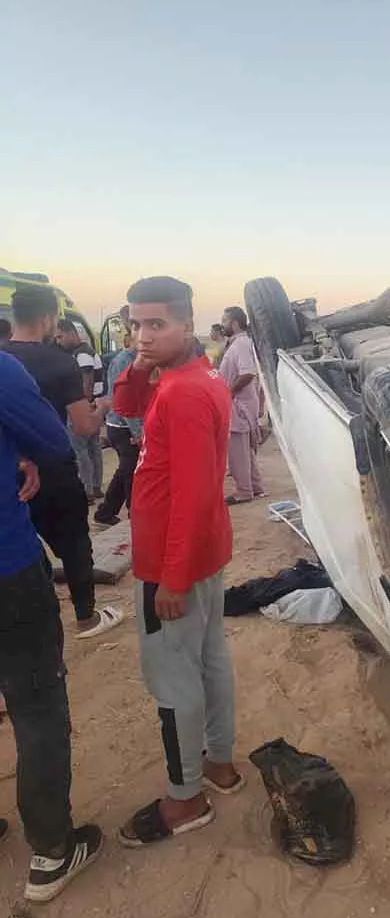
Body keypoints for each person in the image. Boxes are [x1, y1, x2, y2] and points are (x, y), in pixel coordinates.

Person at [113, 276, 242, 848]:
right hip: (202, 551)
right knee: (209, 659)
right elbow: (125, 406)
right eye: (135, 324)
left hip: (174, 559)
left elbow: (192, 494)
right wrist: (139, 366)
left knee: (173, 678)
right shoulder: (193, 375)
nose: (142, 336)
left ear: (188, 323)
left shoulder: (184, 392)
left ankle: (185, 797)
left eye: (156, 324)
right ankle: (219, 763)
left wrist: (172, 576)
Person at [0, 350, 103, 901]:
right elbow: (54, 442)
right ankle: (52, 850)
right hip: (7, 570)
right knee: (36, 702)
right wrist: (20, 453)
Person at [2, 285, 123, 638]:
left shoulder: (3, 358)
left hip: (12, 469)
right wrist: (103, 407)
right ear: (47, 318)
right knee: (74, 545)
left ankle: (40, 610)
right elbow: (83, 426)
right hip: (53, 468)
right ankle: (86, 618)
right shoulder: (59, 362)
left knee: (26, 545)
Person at [94, 307, 143, 526]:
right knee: (131, 470)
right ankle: (135, 513)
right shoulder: (125, 361)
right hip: (123, 426)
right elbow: (125, 401)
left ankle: (105, 513)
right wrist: (138, 432)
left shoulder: (138, 360)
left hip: (127, 424)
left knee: (126, 470)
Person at [219, 306, 266, 504]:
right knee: (246, 449)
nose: (222, 325)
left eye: (224, 321)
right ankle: (255, 487)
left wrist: (228, 392)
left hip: (238, 405)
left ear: (235, 323)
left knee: (237, 450)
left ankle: (243, 491)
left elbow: (247, 373)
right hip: (241, 403)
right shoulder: (240, 343)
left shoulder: (240, 344)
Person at [55, 319, 105, 502]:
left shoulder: (82, 354)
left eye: (60, 337)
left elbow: (87, 382)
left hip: (85, 406)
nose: (58, 341)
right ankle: (96, 487)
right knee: (93, 449)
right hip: (93, 405)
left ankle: (87, 490)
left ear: (71, 333)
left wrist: (82, 404)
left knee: (81, 450)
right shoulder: (88, 351)